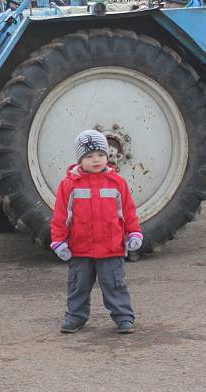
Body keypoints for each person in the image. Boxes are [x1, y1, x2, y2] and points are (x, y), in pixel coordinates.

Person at [50, 130, 143, 334]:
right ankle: (75, 316)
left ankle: (124, 317)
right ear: (80, 159)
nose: (96, 160)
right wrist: (59, 242)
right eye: (89, 156)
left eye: (100, 155)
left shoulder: (117, 183)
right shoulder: (69, 185)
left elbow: (128, 212)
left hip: (111, 248)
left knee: (114, 284)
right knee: (78, 286)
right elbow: (61, 217)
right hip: (80, 248)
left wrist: (134, 233)